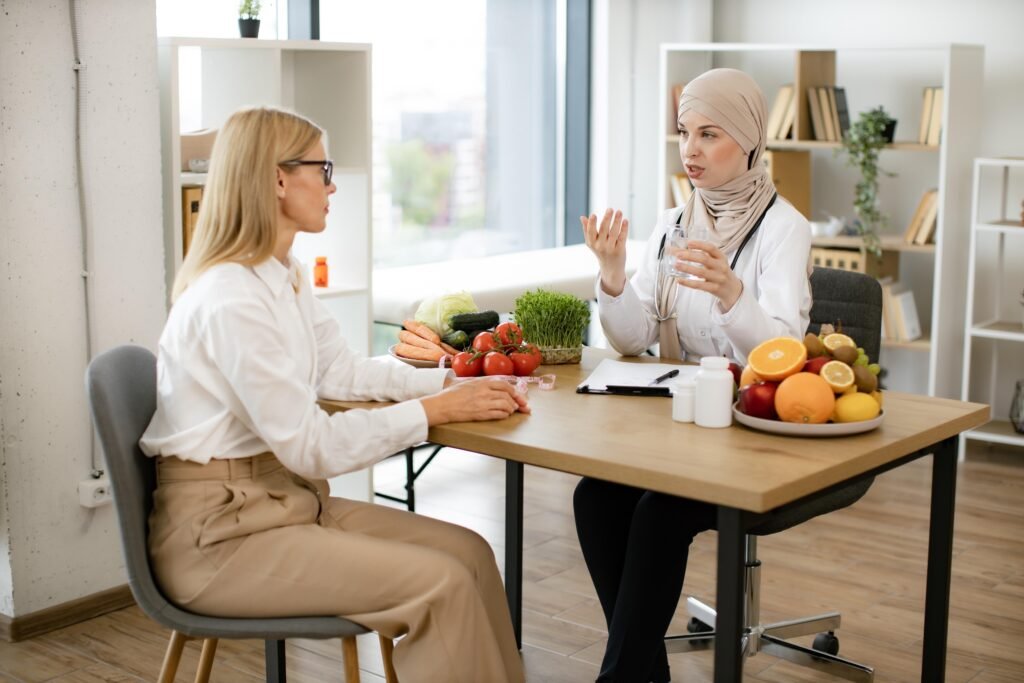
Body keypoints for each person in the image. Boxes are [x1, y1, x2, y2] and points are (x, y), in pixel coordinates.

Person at [140, 106, 527, 683]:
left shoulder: (282, 275)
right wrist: (432, 411)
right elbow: (311, 447)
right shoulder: (231, 298)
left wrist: (446, 381)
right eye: (322, 169)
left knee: (469, 554)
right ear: (277, 179)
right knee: (439, 586)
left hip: (280, 503)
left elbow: (338, 372)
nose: (333, 184)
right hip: (218, 538)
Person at [575, 68, 812, 682]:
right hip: (679, 428)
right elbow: (631, 340)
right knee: (594, 497)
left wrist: (735, 295)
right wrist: (613, 274)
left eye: (710, 134)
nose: (691, 150)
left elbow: (785, 353)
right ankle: (643, 671)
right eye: (684, 132)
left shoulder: (784, 228)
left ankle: (622, 677)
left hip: (750, 434)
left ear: (749, 141)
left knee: (659, 513)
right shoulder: (673, 225)